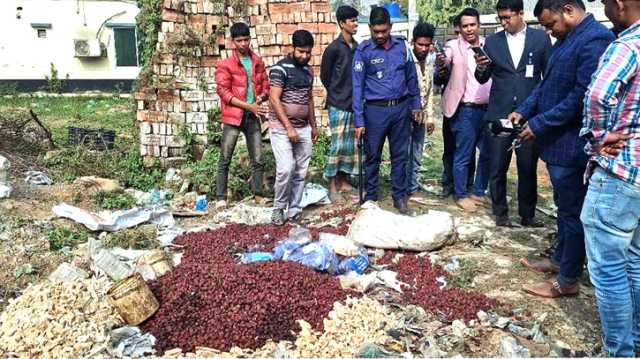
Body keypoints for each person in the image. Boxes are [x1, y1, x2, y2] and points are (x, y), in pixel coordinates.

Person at [508, 0, 614, 298]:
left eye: (550, 24)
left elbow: (580, 97)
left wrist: (538, 124)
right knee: (564, 208)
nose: (548, 31)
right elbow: (547, 85)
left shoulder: (595, 41)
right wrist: (525, 110)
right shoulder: (566, 40)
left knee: (572, 212)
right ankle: (560, 260)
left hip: (571, 146)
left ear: (568, 10)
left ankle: (568, 279)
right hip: (557, 144)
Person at [580, 0, 640, 355]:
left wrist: (601, 136)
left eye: (605, 3)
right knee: (634, 260)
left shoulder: (627, 45)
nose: (605, 11)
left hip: (620, 172)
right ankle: (634, 341)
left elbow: (599, 93)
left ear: (620, 3)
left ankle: (619, 351)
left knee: (608, 270)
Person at [474, 0, 551, 227]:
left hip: (529, 115)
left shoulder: (540, 39)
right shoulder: (493, 41)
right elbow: (482, 78)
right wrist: (480, 66)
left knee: (527, 167)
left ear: (521, 13)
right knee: (498, 166)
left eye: (508, 17)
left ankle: (527, 215)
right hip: (499, 113)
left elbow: (548, 75)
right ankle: (501, 214)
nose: (504, 22)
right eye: (501, 18)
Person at [352, 7, 421, 214]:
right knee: (372, 156)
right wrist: (359, 120)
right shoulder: (363, 51)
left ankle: (399, 196)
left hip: (401, 109)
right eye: (376, 31)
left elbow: (412, 77)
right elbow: (357, 87)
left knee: (400, 156)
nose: (380, 35)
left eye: (384, 31)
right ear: (370, 28)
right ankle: (371, 196)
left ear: (391, 27)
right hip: (375, 112)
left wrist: (416, 104)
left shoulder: (402, 47)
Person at [436, 7, 492, 212]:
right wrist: (441, 62)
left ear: (479, 25)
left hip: (488, 109)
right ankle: (460, 194)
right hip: (465, 110)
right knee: (464, 154)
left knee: (487, 152)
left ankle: (478, 191)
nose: (469, 29)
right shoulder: (452, 47)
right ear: (459, 28)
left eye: (472, 25)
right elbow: (444, 61)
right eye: (465, 26)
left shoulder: (489, 45)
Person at [214, 22, 269, 207]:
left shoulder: (257, 61)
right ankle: (221, 198)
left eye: (246, 40)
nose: (243, 44)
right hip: (233, 116)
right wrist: (248, 106)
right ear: (232, 42)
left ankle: (258, 194)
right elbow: (224, 92)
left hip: (252, 116)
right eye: (239, 41)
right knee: (225, 158)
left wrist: (259, 99)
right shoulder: (226, 64)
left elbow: (265, 86)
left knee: (258, 158)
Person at [268, 30, 319, 225]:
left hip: (303, 128)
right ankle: (279, 208)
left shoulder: (308, 71)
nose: (304, 56)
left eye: (308, 52)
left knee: (301, 171)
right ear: (292, 48)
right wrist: (289, 127)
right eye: (301, 52)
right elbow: (274, 98)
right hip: (281, 128)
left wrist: (314, 126)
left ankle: (295, 209)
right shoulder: (280, 69)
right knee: (286, 169)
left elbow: (310, 99)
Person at [320, 5, 360, 204]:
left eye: (356, 20)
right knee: (337, 145)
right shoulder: (334, 48)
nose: (355, 24)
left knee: (349, 146)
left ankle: (343, 180)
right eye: (351, 20)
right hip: (337, 103)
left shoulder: (357, 47)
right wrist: (337, 93)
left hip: (354, 104)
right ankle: (332, 185)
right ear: (342, 23)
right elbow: (325, 76)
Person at [407, 22, 437, 199]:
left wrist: (430, 117)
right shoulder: (407, 60)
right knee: (404, 152)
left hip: (422, 116)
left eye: (427, 45)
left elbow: (430, 90)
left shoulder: (431, 61)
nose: (424, 48)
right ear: (413, 42)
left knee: (417, 152)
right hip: (406, 115)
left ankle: (413, 186)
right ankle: (402, 187)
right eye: (420, 44)